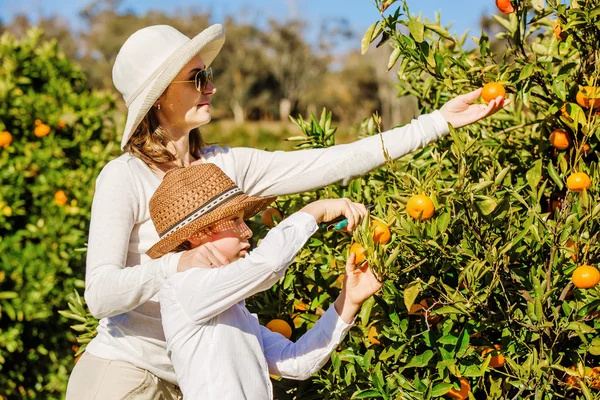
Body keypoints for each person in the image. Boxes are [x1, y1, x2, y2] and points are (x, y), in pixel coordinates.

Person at [66, 23, 508, 399]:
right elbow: (100, 295)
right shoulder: (122, 177)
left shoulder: (225, 168)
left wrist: (434, 123)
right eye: (197, 78)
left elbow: (332, 161)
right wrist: (179, 263)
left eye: (209, 74)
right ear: (160, 96)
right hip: (126, 374)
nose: (212, 87)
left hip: (199, 372)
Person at [146, 164, 380, 399]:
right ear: (197, 234)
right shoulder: (184, 287)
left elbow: (298, 362)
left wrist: (348, 300)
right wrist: (315, 210)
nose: (247, 231)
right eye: (235, 221)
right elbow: (268, 264)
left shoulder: (229, 308)